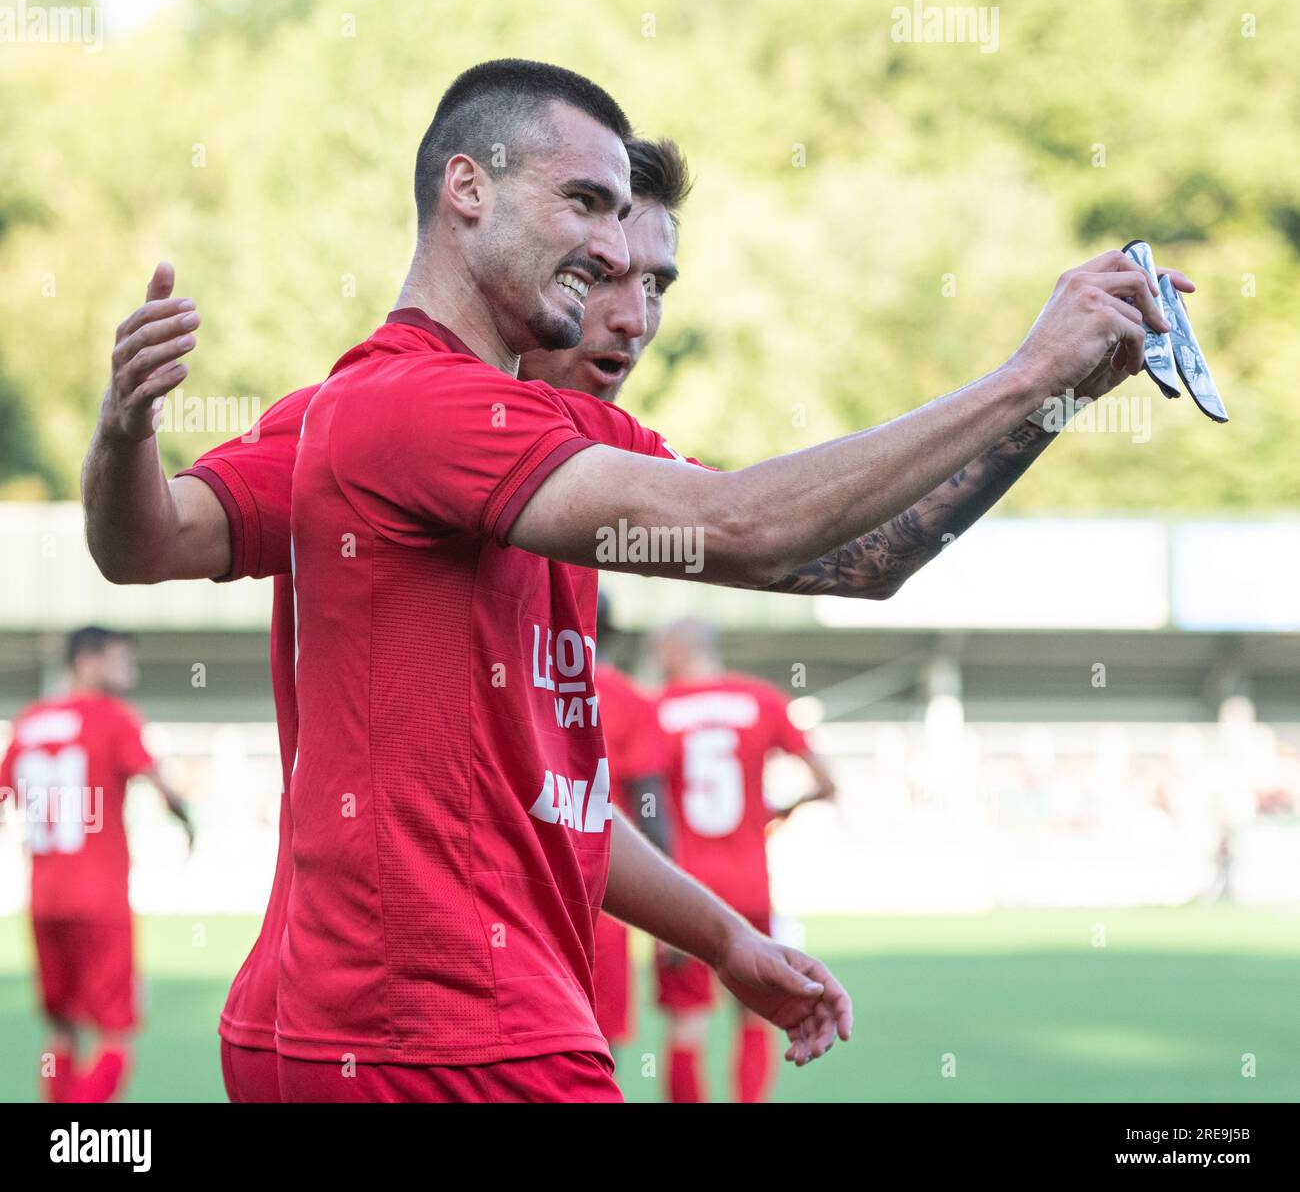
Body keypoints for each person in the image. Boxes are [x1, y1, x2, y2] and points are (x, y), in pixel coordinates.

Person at [82, 58, 1184, 1100]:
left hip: (325, 1024)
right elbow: (749, 527)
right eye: (596, 243)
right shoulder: (411, 407)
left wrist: (1057, 397)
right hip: (450, 1028)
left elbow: (854, 560)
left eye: (651, 275)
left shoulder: (547, 443)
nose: (633, 306)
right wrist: (1024, 368)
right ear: (465, 189)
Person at [0, 627, 192, 1103]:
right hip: (99, 902)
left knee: (62, 1031)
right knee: (115, 1034)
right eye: (119, 659)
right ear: (86, 662)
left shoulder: (30, 722)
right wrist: (188, 821)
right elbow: (160, 786)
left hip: (45, 901)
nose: (131, 670)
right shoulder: (113, 718)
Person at [652, 617, 836, 1102]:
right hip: (751, 886)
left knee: (686, 1024)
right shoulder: (762, 699)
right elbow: (826, 782)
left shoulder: (656, 710)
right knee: (755, 1012)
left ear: (675, 650)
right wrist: (772, 813)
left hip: (679, 893)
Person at [591, 593, 671, 1064]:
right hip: (604, 902)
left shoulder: (510, 682)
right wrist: (671, 921)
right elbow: (651, 817)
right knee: (598, 1055)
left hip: (512, 899)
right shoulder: (629, 701)